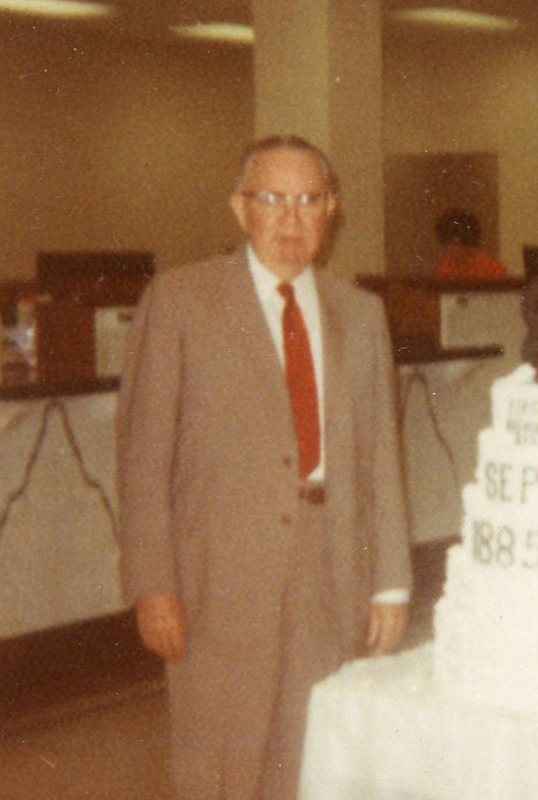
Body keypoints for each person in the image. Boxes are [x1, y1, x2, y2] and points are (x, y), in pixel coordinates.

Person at [115, 135, 412, 800]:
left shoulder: (360, 315)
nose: (289, 219)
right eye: (272, 199)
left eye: (308, 201)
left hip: (330, 572)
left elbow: (380, 458)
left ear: (331, 210)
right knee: (220, 765)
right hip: (215, 581)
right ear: (239, 208)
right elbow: (143, 456)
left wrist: (389, 579)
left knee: (313, 761)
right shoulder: (181, 302)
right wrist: (153, 583)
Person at [434, 208, 508, 279]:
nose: (449, 248)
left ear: (468, 242)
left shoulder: (491, 268)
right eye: (446, 244)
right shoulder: (445, 267)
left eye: (455, 243)